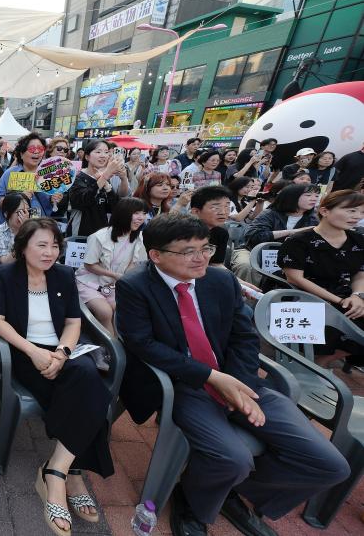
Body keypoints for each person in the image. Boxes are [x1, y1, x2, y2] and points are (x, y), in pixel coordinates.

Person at [115, 213, 349, 536]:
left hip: (239, 380)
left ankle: (230, 491)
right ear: (156, 255)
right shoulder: (135, 286)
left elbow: (244, 336)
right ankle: (194, 500)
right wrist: (212, 378)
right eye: (188, 252)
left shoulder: (220, 280)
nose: (201, 258)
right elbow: (143, 344)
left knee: (330, 465)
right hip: (187, 386)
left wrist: (237, 384)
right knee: (232, 458)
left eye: (205, 248)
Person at [0, 218, 114, 534]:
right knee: (92, 393)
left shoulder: (62, 275)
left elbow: (74, 323)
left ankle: (56, 470)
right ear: (24, 247)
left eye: (55, 245)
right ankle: (73, 473)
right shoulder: (8, 274)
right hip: (25, 354)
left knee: (88, 379)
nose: (49, 252)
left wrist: (62, 353)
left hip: (60, 350)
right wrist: (33, 351)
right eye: (41, 245)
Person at [278, 189, 364, 370]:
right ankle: (313, 363)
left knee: (356, 313)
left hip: (344, 292)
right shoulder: (298, 241)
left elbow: (359, 274)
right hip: (301, 293)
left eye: (361, 212)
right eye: (351, 210)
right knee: (340, 315)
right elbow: (295, 278)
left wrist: (357, 296)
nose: (356, 216)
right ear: (325, 211)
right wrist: (339, 301)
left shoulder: (358, 240)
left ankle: (323, 363)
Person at [76, 198, 149, 335]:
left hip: (114, 285)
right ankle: (112, 349)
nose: (141, 218)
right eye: (137, 213)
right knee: (105, 312)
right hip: (89, 283)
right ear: (123, 213)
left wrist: (123, 279)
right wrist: (114, 276)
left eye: (144, 213)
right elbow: (90, 265)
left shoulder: (140, 238)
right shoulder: (99, 236)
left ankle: (119, 347)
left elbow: (133, 264)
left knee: (119, 310)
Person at [0, 133, 63, 217]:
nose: (36, 152)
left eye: (40, 149)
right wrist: (18, 198)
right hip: (16, 227)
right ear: (21, 154)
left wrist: (53, 199)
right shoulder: (10, 174)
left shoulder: (48, 174)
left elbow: (51, 201)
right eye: (32, 148)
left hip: (40, 225)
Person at [69, 140, 128, 236]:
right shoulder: (77, 177)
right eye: (98, 152)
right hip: (80, 235)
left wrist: (117, 181)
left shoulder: (105, 178)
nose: (103, 155)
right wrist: (105, 175)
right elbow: (83, 201)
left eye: (106, 152)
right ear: (87, 157)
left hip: (102, 234)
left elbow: (115, 208)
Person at [0, 192, 29, 295]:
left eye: (27, 211)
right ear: (6, 213)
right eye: (20, 212)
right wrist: (22, 233)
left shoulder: (33, 230)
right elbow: (6, 262)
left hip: (29, 279)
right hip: (2, 281)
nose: (24, 216)